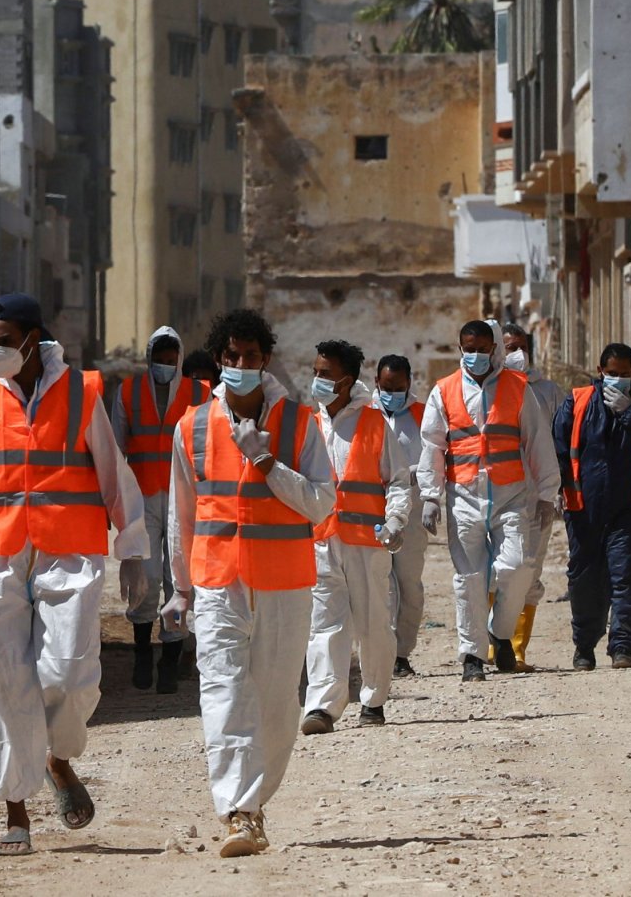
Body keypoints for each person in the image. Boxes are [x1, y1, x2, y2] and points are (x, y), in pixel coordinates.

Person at [0, 293, 152, 856]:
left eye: (5, 340)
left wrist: (131, 549)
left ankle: (57, 758)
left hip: (69, 551)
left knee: (71, 674)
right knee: (0, 677)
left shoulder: (83, 393)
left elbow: (113, 474)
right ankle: (16, 813)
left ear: (34, 340)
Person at [164, 308, 334, 858]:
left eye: (251, 357)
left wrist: (265, 461)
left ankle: (256, 801)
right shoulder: (189, 426)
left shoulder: (300, 424)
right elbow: (181, 515)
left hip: (284, 581)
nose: (240, 365)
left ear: (265, 362)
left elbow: (321, 501)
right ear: (218, 361)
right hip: (218, 579)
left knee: (278, 704)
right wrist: (180, 588)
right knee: (224, 690)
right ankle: (241, 811)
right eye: (230, 357)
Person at [419, 320, 559, 682]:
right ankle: (472, 656)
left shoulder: (517, 388)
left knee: (516, 568)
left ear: (494, 349)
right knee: (470, 578)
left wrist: (547, 493)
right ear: (460, 347)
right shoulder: (444, 390)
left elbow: (538, 441)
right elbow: (432, 446)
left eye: (484, 348)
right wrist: (430, 496)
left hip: (511, 496)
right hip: (463, 497)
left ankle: (500, 631)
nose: (477, 354)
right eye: (471, 347)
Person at [300, 340, 413, 734]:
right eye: (316, 372)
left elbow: (398, 481)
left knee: (372, 624)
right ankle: (322, 706)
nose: (318, 379)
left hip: (368, 541)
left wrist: (396, 520)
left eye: (326, 374)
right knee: (324, 625)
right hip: (320, 540)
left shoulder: (371, 422)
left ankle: (374, 699)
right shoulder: (308, 424)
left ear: (347, 381)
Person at [553, 342, 631, 671]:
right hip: (582, 508)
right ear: (599, 371)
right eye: (611, 373)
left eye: (624, 374)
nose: (617, 379)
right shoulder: (576, 403)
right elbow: (559, 449)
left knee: (625, 578)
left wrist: (630, 414)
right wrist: (556, 488)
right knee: (585, 579)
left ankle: (623, 648)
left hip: (627, 508)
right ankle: (584, 648)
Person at [112, 326, 209, 692]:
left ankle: (170, 660)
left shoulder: (199, 393)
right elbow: (116, 448)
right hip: (142, 496)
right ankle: (142, 651)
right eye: (158, 361)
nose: (164, 367)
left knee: (179, 578)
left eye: (171, 362)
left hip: (185, 496)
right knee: (146, 577)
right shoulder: (128, 392)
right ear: (148, 360)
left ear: (179, 361)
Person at [499, 323, 568, 672]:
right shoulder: (489, 391)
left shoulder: (548, 391)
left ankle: (516, 649)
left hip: (538, 495)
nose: (517, 354)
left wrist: (555, 490)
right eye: (509, 347)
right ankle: (492, 645)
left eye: (521, 346)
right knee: (496, 569)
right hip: (498, 495)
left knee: (530, 570)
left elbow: (559, 443)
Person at [374, 354, 430, 679]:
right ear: (376, 383)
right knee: (382, 584)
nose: (391, 392)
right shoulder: (365, 414)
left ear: (409, 383)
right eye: (386, 386)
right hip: (374, 509)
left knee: (409, 584)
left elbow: (436, 455)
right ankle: (383, 652)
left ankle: (402, 653)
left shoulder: (422, 415)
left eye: (398, 387)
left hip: (413, 509)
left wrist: (412, 475)